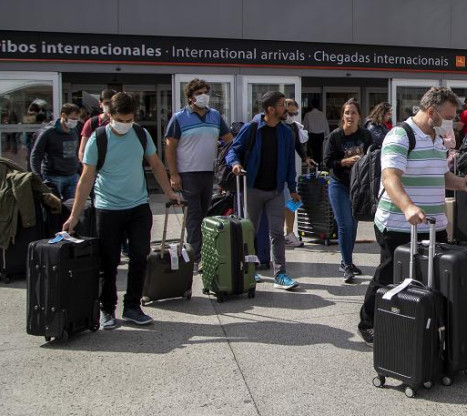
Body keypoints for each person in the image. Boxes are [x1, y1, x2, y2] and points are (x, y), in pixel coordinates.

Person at [357, 87, 467, 347]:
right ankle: (369, 323)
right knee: (389, 274)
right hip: (399, 222)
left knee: (429, 279)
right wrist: (409, 207)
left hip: (433, 225)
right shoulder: (400, 135)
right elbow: (390, 178)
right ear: (431, 112)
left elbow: (441, 177)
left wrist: (464, 183)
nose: (451, 123)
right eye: (448, 117)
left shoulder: (437, 138)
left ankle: (419, 323)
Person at [63, 92, 181, 330]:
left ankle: (132, 306)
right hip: (108, 209)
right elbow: (86, 180)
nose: (126, 125)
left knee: (139, 257)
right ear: (110, 115)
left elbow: (156, 165)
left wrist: (170, 193)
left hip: (138, 207)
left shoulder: (140, 133)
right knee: (109, 262)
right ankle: (107, 309)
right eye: (121, 120)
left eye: (129, 120)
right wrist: (74, 216)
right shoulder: (98, 139)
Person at [227, 91, 301, 290]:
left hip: (275, 191)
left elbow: (289, 164)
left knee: (277, 233)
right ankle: (250, 270)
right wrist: (235, 164)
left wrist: (292, 189)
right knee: (250, 232)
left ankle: (281, 274)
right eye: (281, 105)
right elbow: (233, 150)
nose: (286, 109)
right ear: (270, 109)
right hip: (252, 189)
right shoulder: (251, 129)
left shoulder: (286, 133)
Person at [164, 79, 233, 264]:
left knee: (204, 213)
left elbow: (229, 141)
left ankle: (203, 249)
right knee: (193, 215)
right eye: (198, 93)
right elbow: (170, 147)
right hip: (188, 173)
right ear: (190, 97)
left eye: (205, 92)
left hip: (208, 173)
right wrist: (174, 174)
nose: (203, 96)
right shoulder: (179, 118)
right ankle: (196, 255)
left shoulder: (215, 116)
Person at [323, 98, 373, 283]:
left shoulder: (365, 135)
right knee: (344, 225)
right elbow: (327, 162)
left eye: (353, 113)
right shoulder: (335, 136)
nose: (350, 116)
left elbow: (372, 156)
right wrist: (344, 161)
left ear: (360, 116)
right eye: (347, 112)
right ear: (342, 116)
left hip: (358, 186)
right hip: (338, 184)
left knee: (353, 226)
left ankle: (348, 262)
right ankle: (346, 263)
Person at [30, 103, 82, 200]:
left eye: (77, 119)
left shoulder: (74, 131)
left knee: (71, 207)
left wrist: (79, 171)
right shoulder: (48, 132)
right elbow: (36, 155)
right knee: (53, 209)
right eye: (72, 118)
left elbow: (75, 153)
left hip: (73, 176)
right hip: (53, 177)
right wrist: (37, 176)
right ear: (63, 115)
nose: (75, 122)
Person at [283, 98, 316, 248]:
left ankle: (289, 232)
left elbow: (298, 145)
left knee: (292, 201)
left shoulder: (293, 127)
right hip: (276, 172)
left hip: (289, 170)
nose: (292, 116)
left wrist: (305, 158)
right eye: (289, 113)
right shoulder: (276, 126)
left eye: (295, 113)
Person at [79, 89, 117, 161]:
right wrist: (90, 169)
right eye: (106, 103)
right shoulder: (92, 123)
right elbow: (82, 151)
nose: (109, 106)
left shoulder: (123, 122)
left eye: (112, 103)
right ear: (100, 103)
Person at [302, 99, 330, 167]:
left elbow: (305, 127)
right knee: (319, 152)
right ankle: (319, 165)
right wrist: (327, 136)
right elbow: (326, 126)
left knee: (312, 152)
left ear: (311, 105)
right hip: (320, 135)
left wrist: (303, 139)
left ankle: (313, 166)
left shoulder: (308, 115)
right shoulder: (322, 114)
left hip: (311, 135)